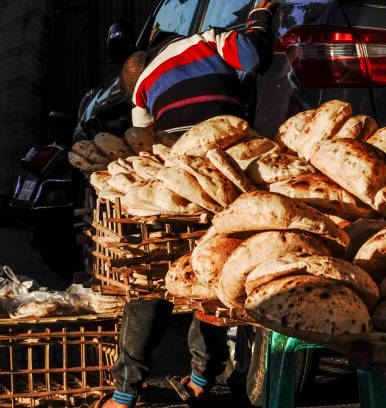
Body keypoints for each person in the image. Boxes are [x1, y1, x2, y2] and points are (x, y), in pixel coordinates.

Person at [102, 2, 278, 407]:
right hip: (234, 169)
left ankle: (124, 394)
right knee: (215, 273)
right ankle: (200, 379)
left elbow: (145, 149)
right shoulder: (208, 40)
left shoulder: (141, 90)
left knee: (150, 278)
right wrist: (261, 14)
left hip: (180, 180)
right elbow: (253, 56)